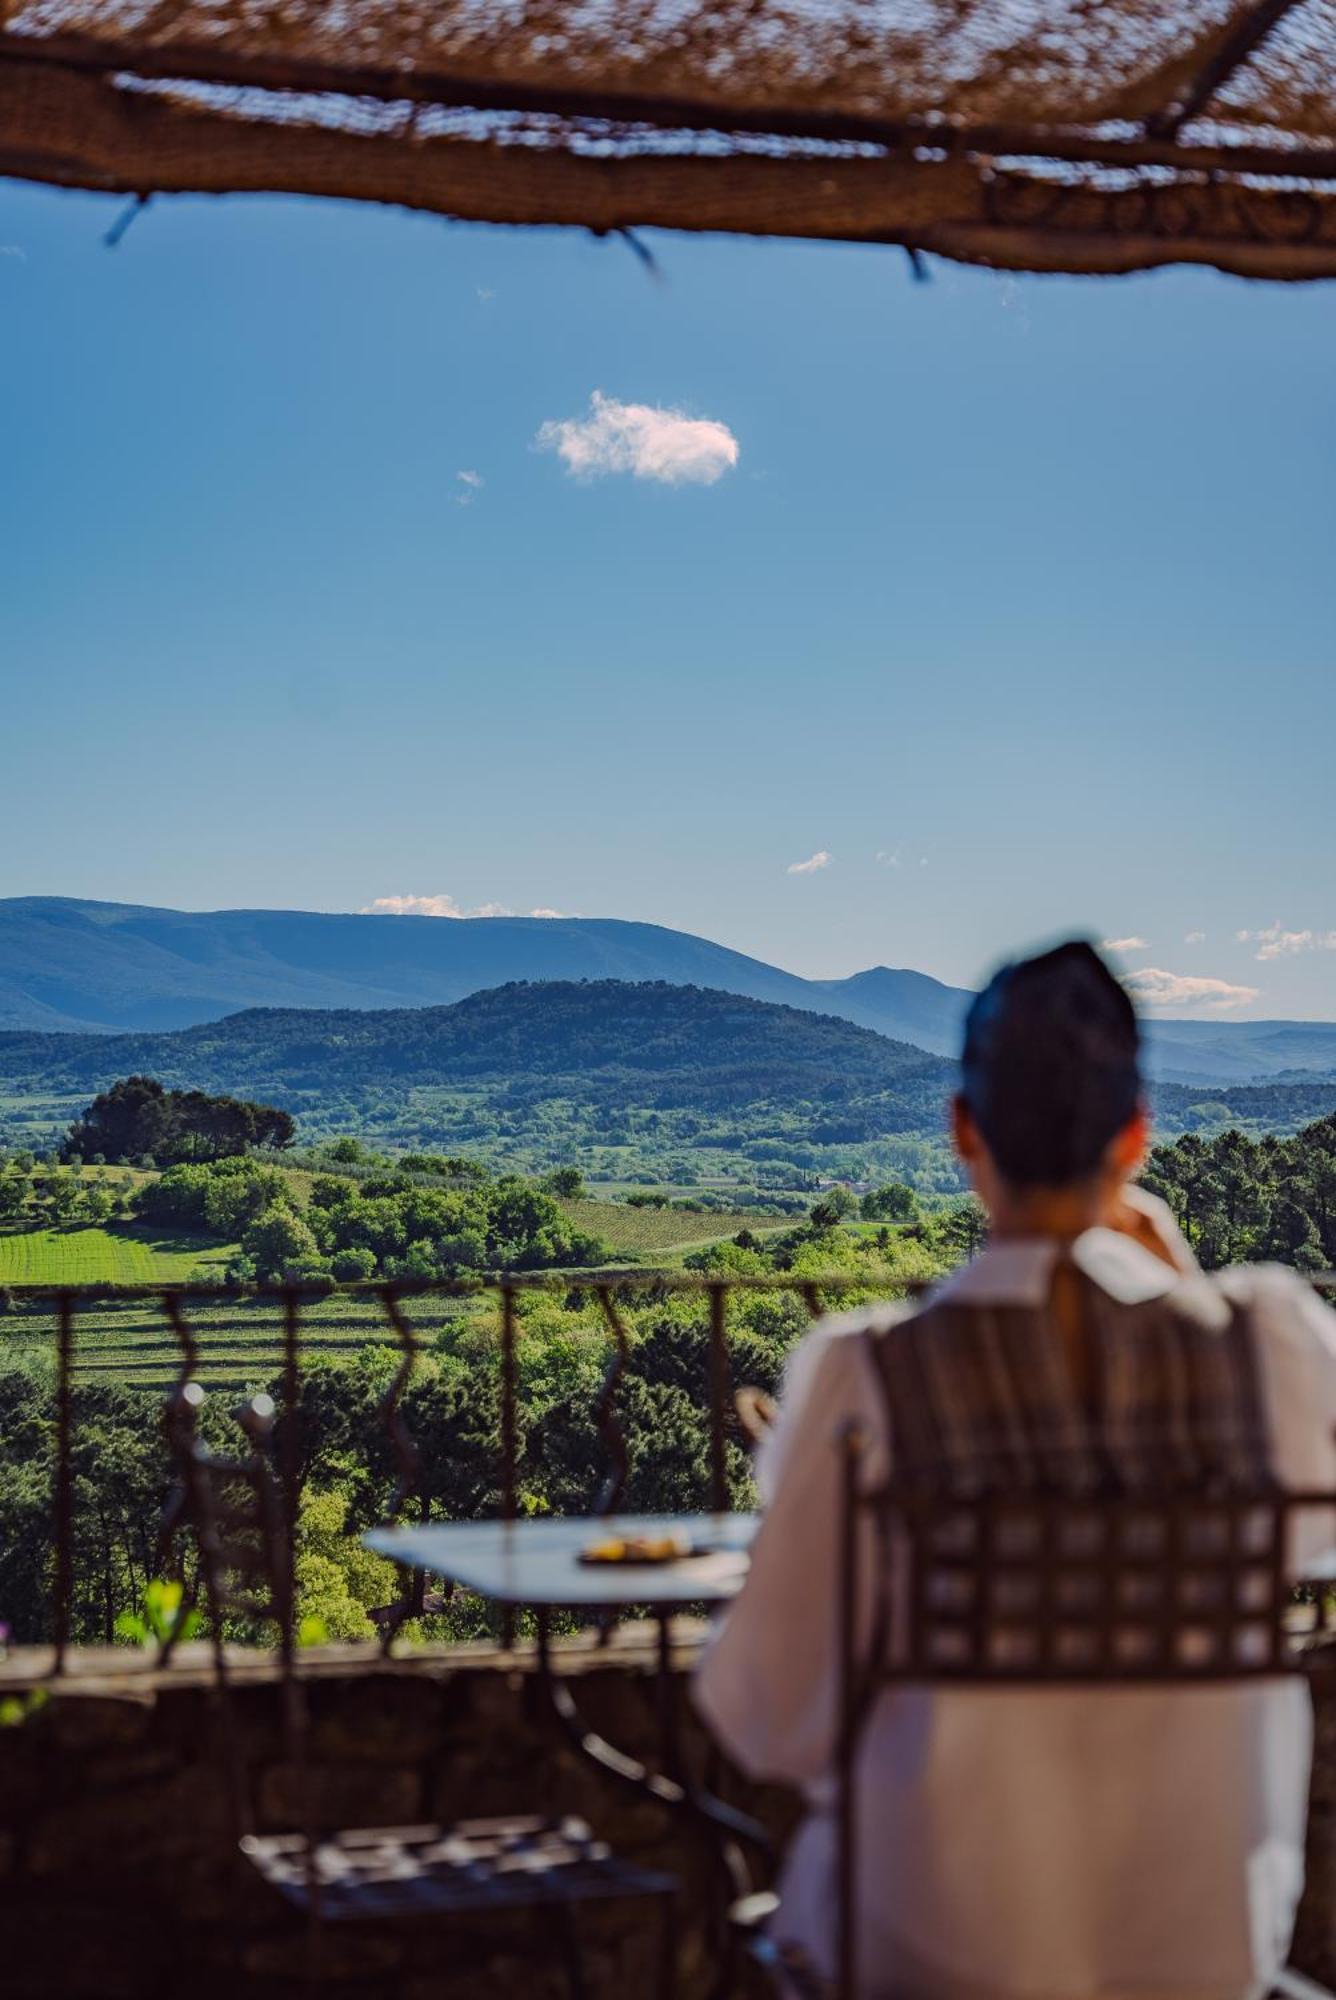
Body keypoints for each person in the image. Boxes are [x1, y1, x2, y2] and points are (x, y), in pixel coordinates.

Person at [695, 940, 1336, 2000]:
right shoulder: (1265, 1346)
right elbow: (1311, 1530)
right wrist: (1182, 1285)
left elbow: (765, 1713)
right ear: (1134, 1135)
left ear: (962, 1130)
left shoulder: (872, 1375)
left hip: (918, 1956)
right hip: (1201, 1962)